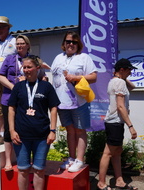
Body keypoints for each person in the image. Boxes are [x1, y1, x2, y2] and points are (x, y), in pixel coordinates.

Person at [8, 55, 60, 190]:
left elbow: (53, 108)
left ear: (37, 68)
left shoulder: (46, 86)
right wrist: (12, 131)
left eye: (29, 67)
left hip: (42, 137)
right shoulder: (18, 87)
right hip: (21, 137)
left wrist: (53, 131)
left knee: (39, 170)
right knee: (23, 170)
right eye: (24, 67)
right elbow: (11, 109)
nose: (26, 70)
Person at [51, 31, 97, 172]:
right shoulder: (58, 57)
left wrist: (76, 77)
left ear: (78, 44)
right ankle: (71, 158)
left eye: (74, 42)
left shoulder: (84, 58)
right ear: (64, 43)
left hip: (79, 101)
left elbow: (94, 77)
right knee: (70, 131)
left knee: (80, 131)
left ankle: (80, 159)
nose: (71, 44)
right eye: (68, 41)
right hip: (61, 102)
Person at [97, 58, 138, 190]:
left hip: (115, 122)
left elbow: (133, 87)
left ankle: (119, 181)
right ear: (122, 69)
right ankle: (101, 183)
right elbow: (121, 106)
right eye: (129, 70)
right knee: (108, 153)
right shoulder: (119, 82)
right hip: (114, 122)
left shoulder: (118, 81)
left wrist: (122, 77)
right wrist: (131, 126)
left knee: (117, 152)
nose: (131, 72)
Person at [0, 34, 32, 171]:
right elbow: (0, 76)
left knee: (26, 129)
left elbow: (41, 75)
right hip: (9, 99)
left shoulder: (32, 59)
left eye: (22, 43)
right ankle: (8, 161)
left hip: (26, 100)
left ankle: (24, 159)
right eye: (17, 43)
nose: (19, 46)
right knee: (8, 129)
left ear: (28, 45)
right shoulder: (10, 58)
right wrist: (13, 87)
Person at [0, 16, 16, 146]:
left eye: (1, 27)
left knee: (10, 107)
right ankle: (1, 134)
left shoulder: (15, 41)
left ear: (8, 28)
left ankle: (12, 133)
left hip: (9, 81)